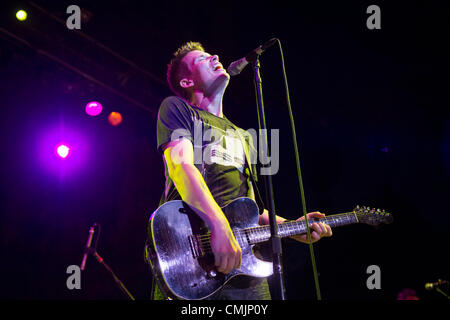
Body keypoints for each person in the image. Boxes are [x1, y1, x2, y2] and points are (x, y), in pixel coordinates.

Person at [148, 41, 332, 300]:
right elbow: (181, 168)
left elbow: (251, 210)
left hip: (241, 268)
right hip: (189, 260)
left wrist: (292, 226)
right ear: (187, 82)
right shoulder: (178, 109)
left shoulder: (243, 137)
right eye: (202, 59)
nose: (214, 56)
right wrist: (218, 226)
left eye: (212, 54)